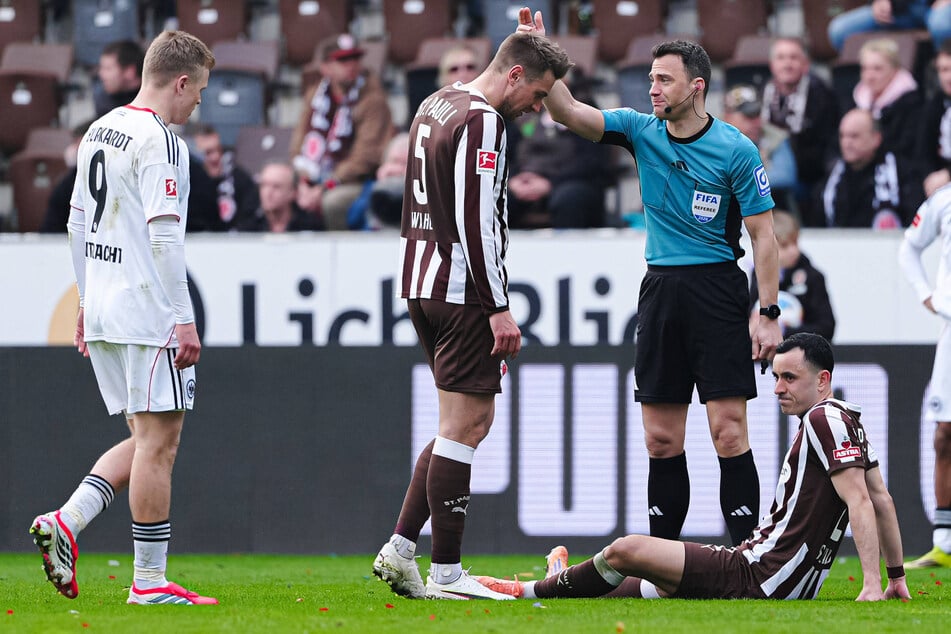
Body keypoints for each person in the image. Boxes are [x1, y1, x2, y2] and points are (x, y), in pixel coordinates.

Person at [518, 8, 782, 546]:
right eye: (651, 79)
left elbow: (765, 238)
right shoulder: (641, 131)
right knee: (661, 439)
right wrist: (538, 53)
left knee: (728, 431)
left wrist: (769, 311)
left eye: (664, 79)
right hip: (661, 291)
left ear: (696, 86)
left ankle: (747, 558)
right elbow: (567, 111)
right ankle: (663, 564)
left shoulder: (735, 149)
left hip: (716, 290)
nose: (653, 89)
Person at [477, 333, 911, 602]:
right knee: (657, 580)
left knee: (629, 549)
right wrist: (896, 577)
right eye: (775, 377)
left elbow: (861, 502)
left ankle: (524, 591)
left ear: (823, 380)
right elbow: (882, 500)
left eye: (790, 378)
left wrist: (872, 585)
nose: (778, 388)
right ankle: (564, 581)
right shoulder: (848, 419)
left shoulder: (822, 417)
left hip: (758, 575)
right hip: (766, 572)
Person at [371, 28, 571, 600]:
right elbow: (476, 220)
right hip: (461, 292)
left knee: (455, 424)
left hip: (420, 279)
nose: (537, 108)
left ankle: (401, 548)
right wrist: (499, 308)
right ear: (513, 75)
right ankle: (449, 573)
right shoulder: (485, 120)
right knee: (469, 426)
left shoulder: (439, 101)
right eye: (536, 94)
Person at [29, 30, 218, 606]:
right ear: (180, 82)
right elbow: (164, 235)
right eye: (200, 91)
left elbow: (76, 224)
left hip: (107, 306)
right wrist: (183, 318)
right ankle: (149, 582)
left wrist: (85, 302)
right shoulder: (161, 140)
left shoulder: (101, 127)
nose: (199, 104)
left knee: (143, 436)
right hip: (147, 309)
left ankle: (67, 521)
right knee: (161, 443)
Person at [898, 184, 951, 569]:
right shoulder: (945, 199)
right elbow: (909, 247)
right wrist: (925, 293)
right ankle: (945, 544)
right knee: (945, 434)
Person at [291, 33, 392, 230]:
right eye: (343, 60)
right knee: (277, 186)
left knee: (333, 202)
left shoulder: (373, 99)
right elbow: (298, 143)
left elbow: (366, 157)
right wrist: (304, 181)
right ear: (325, 68)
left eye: (355, 58)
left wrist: (324, 186)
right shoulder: (316, 95)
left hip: (356, 181)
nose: (351, 65)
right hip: (315, 173)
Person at [507, 69, 611, 229]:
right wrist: (513, 179)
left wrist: (550, 183)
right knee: (499, 197)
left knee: (568, 199)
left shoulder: (584, 109)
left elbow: (591, 162)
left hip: (570, 182)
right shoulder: (523, 109)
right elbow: (507, 153)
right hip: (525, 179)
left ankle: (569, 253)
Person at [760, 36, 840, 218]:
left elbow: (826, 148)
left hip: (809, 177)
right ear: (772, 65)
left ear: (806, 64)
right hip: (770, 165)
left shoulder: (821, 95)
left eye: (793, 58)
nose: (787, 64)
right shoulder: (765, 91)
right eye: (781, 58)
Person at [811, 107, 924, 228]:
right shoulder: (832, 179)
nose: (846, 143)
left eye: (854, 136)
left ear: (876, 138)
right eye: (842, 136)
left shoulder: (901, 173)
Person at [749, 210, 836, 341]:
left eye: (795, 242)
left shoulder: (813, 277)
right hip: (764, 353)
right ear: (769, 246)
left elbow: (827, 327)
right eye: (785, 245)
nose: (793, 251)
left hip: (801, 354)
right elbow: (752, 313)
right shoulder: (757, 274)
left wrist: (785, 331)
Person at [722, 84, 800, 214]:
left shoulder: (773, 136)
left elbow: (785, 177)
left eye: (757, 115)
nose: (756, 123)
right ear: (728, 117)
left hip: (769, 212)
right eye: (749, 116)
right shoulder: (712, 136)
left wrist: (737, 182)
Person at [853, 37, 923, 162]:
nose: (869, 76)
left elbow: (905, 150)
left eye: (877, 69)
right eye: (865, 69)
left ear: (895, 70)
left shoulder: (911, 104)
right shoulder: (857, 100)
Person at [190, 125, 259, 231]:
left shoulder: (240, 179)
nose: (216, 157)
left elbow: (250, 216)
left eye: (219, 150)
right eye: (208, 153)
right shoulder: (190, 185)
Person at [827, 0, 951, 52]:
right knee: (839, 31)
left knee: (942, 26)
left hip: (935, 6)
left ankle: (942, 75)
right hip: (896, 9)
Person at [39, 121, 93, 233]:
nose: (75, 149)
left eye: (79, 143)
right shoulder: (67, 184)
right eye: (75, 143)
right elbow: (50, 230)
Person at [239, 161, 322, 232]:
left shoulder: (311, 228)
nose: (268, 193)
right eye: (264, 185)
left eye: (276, 186)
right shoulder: (249, 229)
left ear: (293, 192)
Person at [917, 39, 951, 197]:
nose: (948, 77)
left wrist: (948, 175)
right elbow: (923, 151)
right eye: (944, 70)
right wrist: (929, 176)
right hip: (938, 187)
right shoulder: (935, 105)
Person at [93, 40, 145, 117]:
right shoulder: (104, 101)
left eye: (108, 69)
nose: (101, 74)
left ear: (130, 71)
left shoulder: (150, 104)